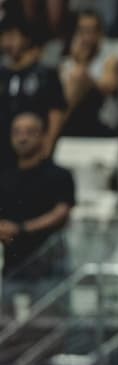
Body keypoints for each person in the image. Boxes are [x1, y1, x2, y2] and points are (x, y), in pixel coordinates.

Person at [0, 111, 74, 317]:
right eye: (17, 133)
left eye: (30, 132)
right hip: (13, 267)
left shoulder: (58, 174)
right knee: (7, 328)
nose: (22, 138)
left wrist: (22, 229)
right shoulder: (5, 177)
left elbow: (62, 212)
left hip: (49, 266)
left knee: (50, 326)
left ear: (42, 136)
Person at [0, 18, 66, 169]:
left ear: (26, 39)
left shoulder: (44, 73)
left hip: (34, 148)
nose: (7, 43)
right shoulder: (2, 75)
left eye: (12, 36)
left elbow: (56, 110)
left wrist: (48, 143)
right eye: (3, 37)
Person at [59, 9, 118, 138]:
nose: (86, 37)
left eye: (90, 31)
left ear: (100, 34)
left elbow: (108, 86)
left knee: (78, 75)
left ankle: (55, 130)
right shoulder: (67, 63)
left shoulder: (112, 60)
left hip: (103, 122)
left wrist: (82, 66)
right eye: (82, 31)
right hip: (74, 122)